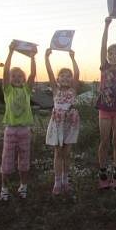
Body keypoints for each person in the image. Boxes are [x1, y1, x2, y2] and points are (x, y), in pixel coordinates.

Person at [0, 41, 36, 201]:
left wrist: (33, 57)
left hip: (25, 131)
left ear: (24, 79)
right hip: (11, 130)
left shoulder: (27, 90)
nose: (17, 78)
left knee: (24, 162)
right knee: (6, 162)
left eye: (20, 76)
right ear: (9, 79)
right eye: (14, 76)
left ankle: (23, 186)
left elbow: (33, 74)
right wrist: (10, 52)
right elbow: (5, 71)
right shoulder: (8, 90)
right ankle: (4, 189)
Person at [96, 16, 116, 189]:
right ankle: (102, 172)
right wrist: (107, 25)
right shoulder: (104, 66)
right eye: (111, 54)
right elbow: (103, 45)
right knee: (104, 140)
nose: (114, 56)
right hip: (104, 108)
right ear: (107, 56)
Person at [45, 48, 80, 195]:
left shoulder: (73, 90)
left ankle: (66, 180)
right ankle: (57, 182)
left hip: (70, 124)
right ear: (58, 79)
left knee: (67, 154)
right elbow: (50, 73)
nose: (65, 78)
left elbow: (77, 73)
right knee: (58, 153)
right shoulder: (55, 90)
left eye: (68, 76)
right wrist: (47, 58)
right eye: (62, 76)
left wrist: (73, 58)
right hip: (58, 124)